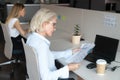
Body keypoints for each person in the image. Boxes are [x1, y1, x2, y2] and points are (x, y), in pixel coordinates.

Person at [26, 8, 80, 80]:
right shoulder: (41, 45)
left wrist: (69, 52)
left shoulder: (32, 37)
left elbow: (48, 55)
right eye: (53, 24)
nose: (55, 28)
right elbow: (46, 77)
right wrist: (67, 68)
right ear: (44, 24)